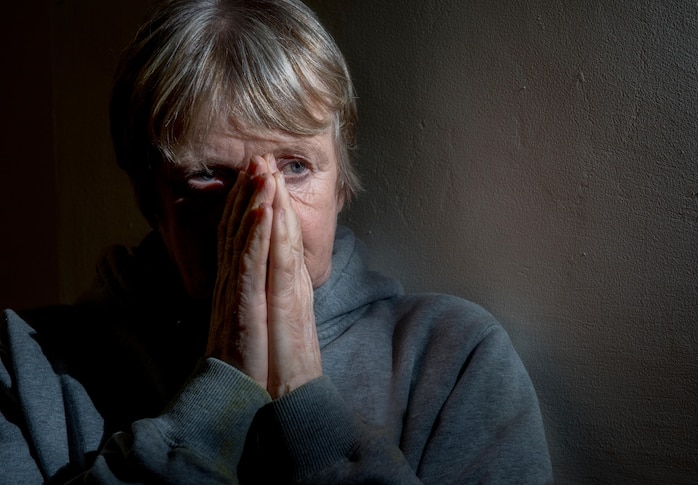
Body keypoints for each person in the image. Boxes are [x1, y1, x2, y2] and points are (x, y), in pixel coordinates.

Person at [0, 0, 553, 482]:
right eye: (208, 175)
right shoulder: (26, 365)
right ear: (149, 196)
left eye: (294, 167)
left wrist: (305, 402)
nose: (259, 212)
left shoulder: (452, 360)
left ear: (341, 183)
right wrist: (221, 395)